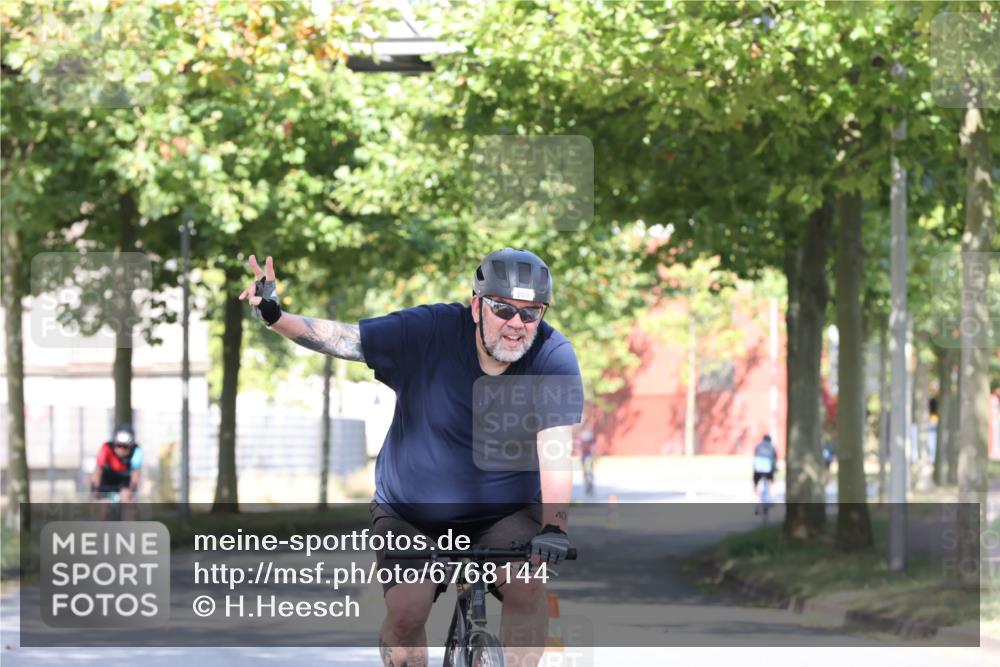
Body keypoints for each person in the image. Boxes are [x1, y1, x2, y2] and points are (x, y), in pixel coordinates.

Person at [240, 248, 583, 667]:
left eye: (531, 313)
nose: (517, 324)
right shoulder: (427, 331)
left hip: (506, 510)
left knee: (528, 587)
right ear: (477, 305)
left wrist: (555, 526)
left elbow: (555, 447)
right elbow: (345, 339)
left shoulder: (553, 356)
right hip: (411, 512)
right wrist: (275, 315)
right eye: (503, 309)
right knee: (407, 611)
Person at [90, 423, 143, 502]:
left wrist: (132, 492)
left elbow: (135, 474)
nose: (121, 450)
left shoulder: (136, 451)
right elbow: (98, 471)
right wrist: (95, 492)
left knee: (127, 500)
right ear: (114, 443)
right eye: (119, 445)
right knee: (103, 504)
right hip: (107, 479)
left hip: (125, 480)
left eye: (125, 447)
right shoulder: (106, 448)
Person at [752, 434, 777, 514]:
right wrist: (775, 468)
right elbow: (774, 459)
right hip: (768, 469)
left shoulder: (758, 446)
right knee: (772, 482)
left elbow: (755, 456)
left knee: (756, 484)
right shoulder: (772, 447)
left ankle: (756, 499)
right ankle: (771, 499)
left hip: (758, 469)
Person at [574, 427, 597, 495]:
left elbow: (593, 446)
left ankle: (589, 483)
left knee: (589, 471)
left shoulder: (587, 437)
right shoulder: (583, 438)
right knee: (586, 471)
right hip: (585, 456)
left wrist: (594, 455)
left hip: (588, 456)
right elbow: (579, 447)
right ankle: (588, 483)